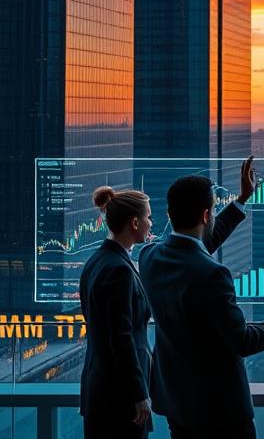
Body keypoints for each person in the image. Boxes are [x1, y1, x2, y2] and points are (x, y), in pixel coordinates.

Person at [139, 173, 264, 439]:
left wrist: (242, 200)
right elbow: (241, 341)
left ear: (169, 212)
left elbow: (194, 248)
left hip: (177, 402)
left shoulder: (150, 256)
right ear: (206, 215)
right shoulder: (213, 274)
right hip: (220, 410)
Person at [79, 186, 155, 439]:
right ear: (134, 222)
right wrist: (139, 394)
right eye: (148, 217)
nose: (151, 223)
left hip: (102, 391)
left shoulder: (96, 262)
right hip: (120, 397)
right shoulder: (119, 270)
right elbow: (122, 338)